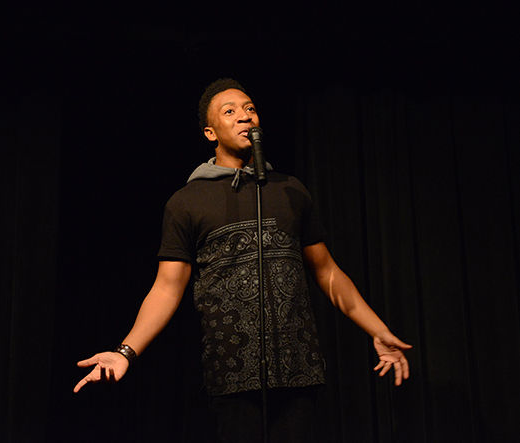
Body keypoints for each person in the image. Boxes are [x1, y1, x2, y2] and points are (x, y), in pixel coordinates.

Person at [74, 78, 411, 442]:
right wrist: (125, 352)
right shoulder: (187, 202)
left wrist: (377, 329)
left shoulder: (290, 190)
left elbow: (327, 271)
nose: (244, 117)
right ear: (210, 132)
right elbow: (167, 288)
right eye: (230, 111)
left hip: (299, 369)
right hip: (233, 372)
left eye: (250, 108)